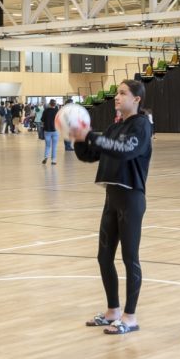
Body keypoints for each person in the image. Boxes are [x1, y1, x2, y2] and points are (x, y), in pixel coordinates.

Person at [67, 80, 153, 335]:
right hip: (112, 198)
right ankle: (113, 311)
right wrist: (80, 139)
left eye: (123, 93)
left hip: (131, 198)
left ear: (137, 99)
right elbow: (91, 155)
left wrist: (92, 135)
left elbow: (125, 150)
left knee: (130, 259)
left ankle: (130, 317)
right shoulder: (116, 126)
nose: (117, 97)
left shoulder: (141, 125)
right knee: (104, 257)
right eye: (117, 93)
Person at [41, 99, 60, 165]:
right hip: (55, 131)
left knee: (47, 145)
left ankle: (46, 157)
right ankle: (53, 160)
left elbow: (42, 120)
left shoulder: (45, 111)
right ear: (55, 104)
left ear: (49, 104)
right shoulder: (57, 111)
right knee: (54, 146)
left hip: (47, 130)